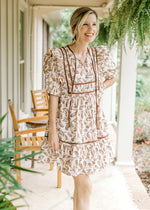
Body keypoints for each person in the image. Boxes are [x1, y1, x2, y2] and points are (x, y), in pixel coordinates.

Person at [41, 7, 118, 210]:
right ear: (75, 27)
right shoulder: (58, 57)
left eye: (94, 24)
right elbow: (54, 94)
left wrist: (94, 88)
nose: (90, 29)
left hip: (91, 127)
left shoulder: (98, 55)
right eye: (85, 24)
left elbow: (112, 76)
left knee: (80, 185)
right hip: (69, 127)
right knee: (85, 185)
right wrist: (53, 130)